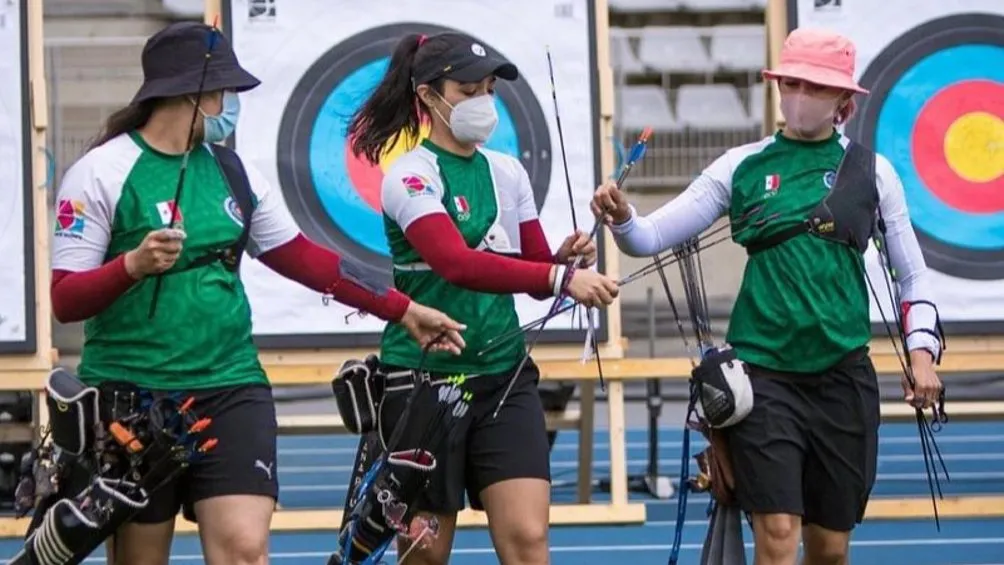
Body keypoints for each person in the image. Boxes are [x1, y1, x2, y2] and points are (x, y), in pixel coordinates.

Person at [49, 22, 466, 565]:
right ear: (190, 94)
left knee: (246, 550)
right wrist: (130, 265)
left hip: (230, 388)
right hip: (134, 396)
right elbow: (65, 300)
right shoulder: (100, 172)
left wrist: (403, 308)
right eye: (222, 92)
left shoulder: (232, 171)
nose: (229, 105)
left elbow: (306, 261)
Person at [592, 28, 944, 565]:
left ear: (844, 103)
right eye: (792, 82)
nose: (800, 95)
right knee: (778, 537)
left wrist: (921, 353)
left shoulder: (876, 174)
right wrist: (622, 217)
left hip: (843, 379)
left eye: (815, 86)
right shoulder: (742, 165)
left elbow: (912, 278)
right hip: (762, 379)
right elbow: (650, 237)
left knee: (829, 549)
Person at [345, 31, 620, 565]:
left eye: (489, 88)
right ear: (427, 95)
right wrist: (559, 281)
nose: (483, 101)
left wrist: (565, 261)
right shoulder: (410, 175)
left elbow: (532, 265)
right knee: (424, 552)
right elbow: (455, 263)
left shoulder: (506, 170)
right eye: (468, 89)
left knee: (529, 541)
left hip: (504, 377)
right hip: (426, 382)